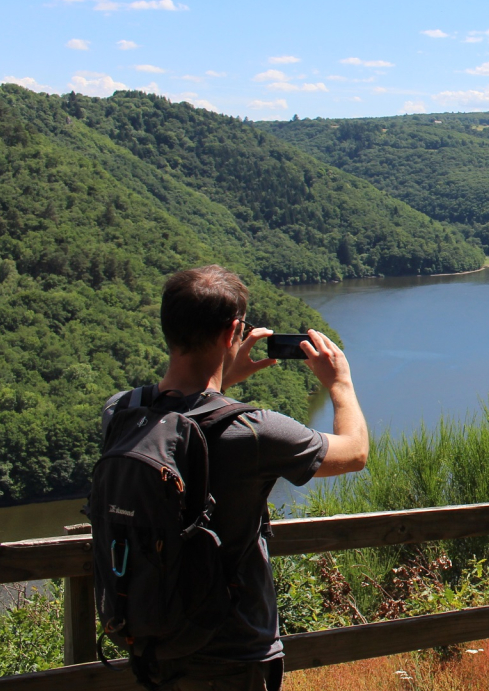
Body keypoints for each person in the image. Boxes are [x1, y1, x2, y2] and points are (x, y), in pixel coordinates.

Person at [102, 265, 369, 691]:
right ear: (233, 333)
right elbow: (354, 453)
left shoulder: (120, 412)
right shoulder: (252, 431)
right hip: (232, 652)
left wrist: (224, 375)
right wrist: (340, 384)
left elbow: (185, 409)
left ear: (168, 327)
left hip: (148, 641)